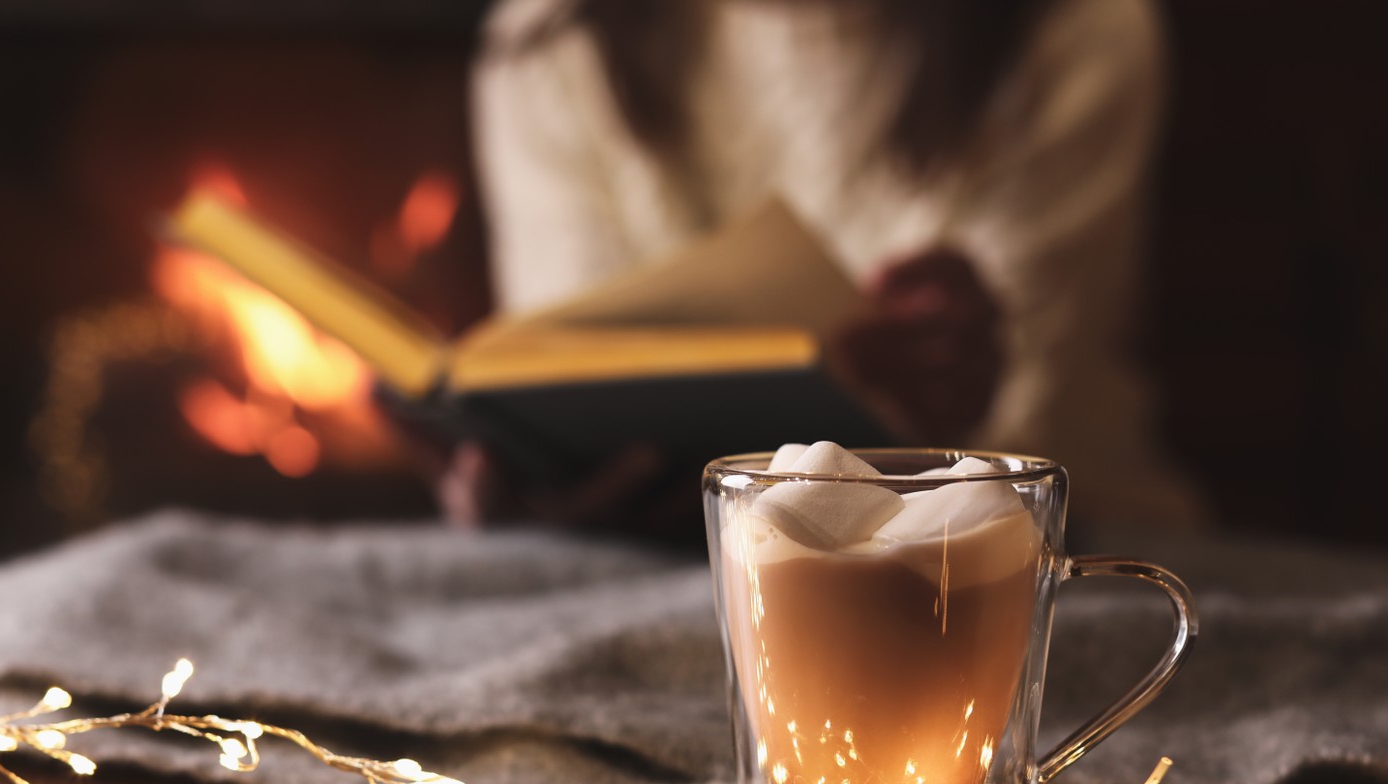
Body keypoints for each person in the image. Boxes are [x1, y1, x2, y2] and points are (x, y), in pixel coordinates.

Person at [444, 0, 1204, 531]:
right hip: (665, 561)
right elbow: (565, 378)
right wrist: (537, 485)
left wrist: (964, 399)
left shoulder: (1075, 27)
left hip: (1054, 545)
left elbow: (1011, 461)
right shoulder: (548, 40)